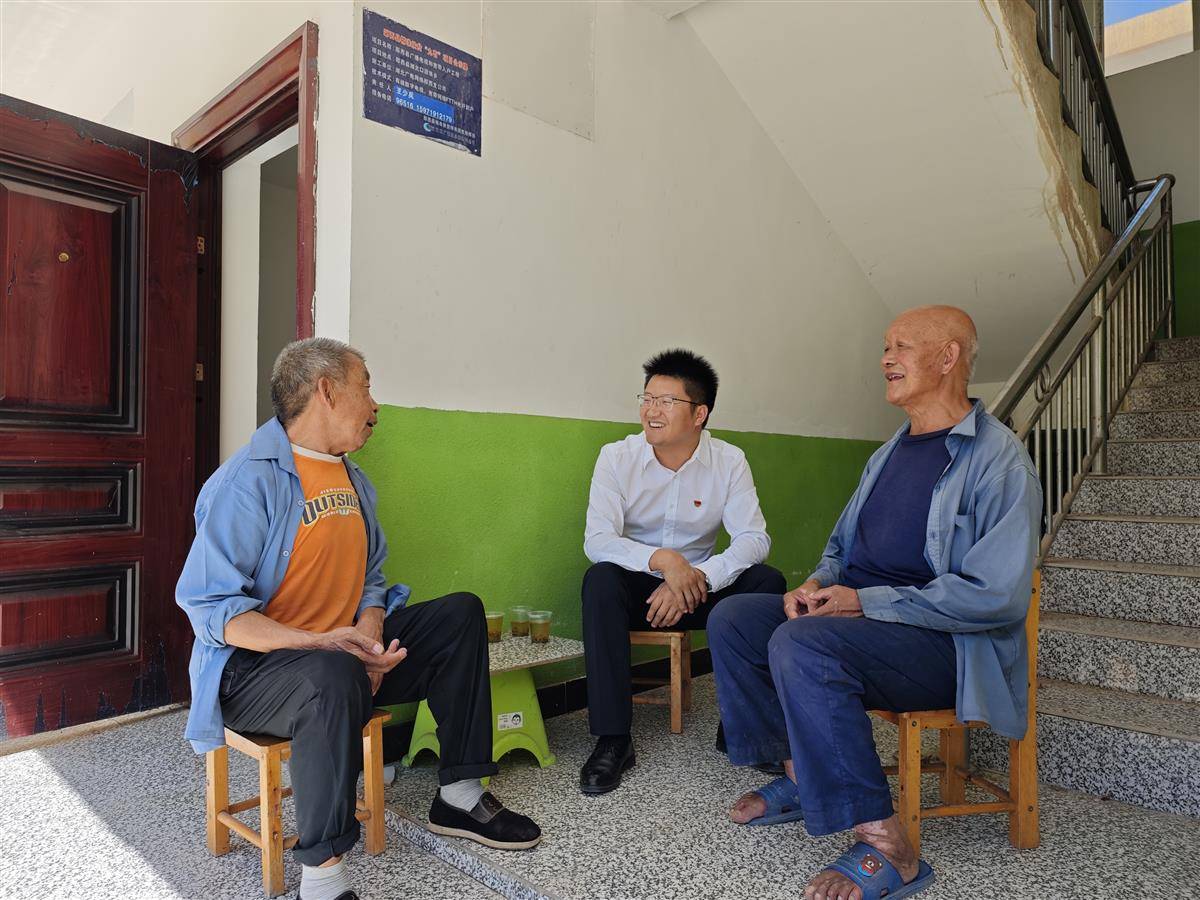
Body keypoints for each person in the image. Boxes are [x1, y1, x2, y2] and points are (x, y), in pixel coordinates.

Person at [176, 338, 541, 900]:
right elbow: (212, 609)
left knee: (460, 614)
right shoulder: (248, 481)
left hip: (344, 661)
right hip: (256, 676)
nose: (375, 405)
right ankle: (322, 878)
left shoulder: (354, 480)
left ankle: (460, 796)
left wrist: (369, 633)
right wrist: (322, 645)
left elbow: (372, 575)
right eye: (365, 387)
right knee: (331, 672)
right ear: (326, 391)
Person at [707, 306, 1040, 900]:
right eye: (886, 347)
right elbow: (840, 549)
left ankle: (890, 847)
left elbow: (996, 597)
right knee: (735, 618)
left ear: (948, 357)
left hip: (949, 645)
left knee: (804, 645)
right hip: (868, 624)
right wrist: (816, 585)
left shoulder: (999, 461)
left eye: (901, 346)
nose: (886, 358)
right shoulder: (888, 453)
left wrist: (864, 601)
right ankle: (799, 775)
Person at [579, 348, 786, 795]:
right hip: (639, 587)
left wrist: (699, 577)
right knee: (599, 581)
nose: (651, 411)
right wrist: (663, 561)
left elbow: (754, 538)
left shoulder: (729, 461)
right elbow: (598, 540)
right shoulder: (616, 457)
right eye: (647, 398)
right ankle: (613, 740)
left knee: (766, 583)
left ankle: (742, 728)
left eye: (666, 401)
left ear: (699, 413)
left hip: (700, 590)